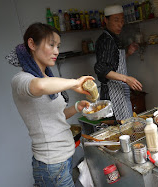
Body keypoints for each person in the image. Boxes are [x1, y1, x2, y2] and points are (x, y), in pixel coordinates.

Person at [6, 22, 94, 187]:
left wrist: (76, 108)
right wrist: (75, 83)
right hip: (51, 164)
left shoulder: (49, 79)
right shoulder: (21, 80)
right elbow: (39, 87)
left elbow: (56, 116)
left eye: (58, 46)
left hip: (65, 157)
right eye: (51, 45)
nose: (56, 51)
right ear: (32, 44)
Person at [94, 5, 143, 120]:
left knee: (127, 125)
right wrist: (126, 79)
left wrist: (128, 53)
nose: (120, 24)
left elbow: (113, 64)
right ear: (106, 20)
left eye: (122, 21)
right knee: (122, 128)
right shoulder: (106, 41)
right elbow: (100, 68)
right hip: (112, 93)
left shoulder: (113, 38)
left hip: (120, 91)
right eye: (116, 20)